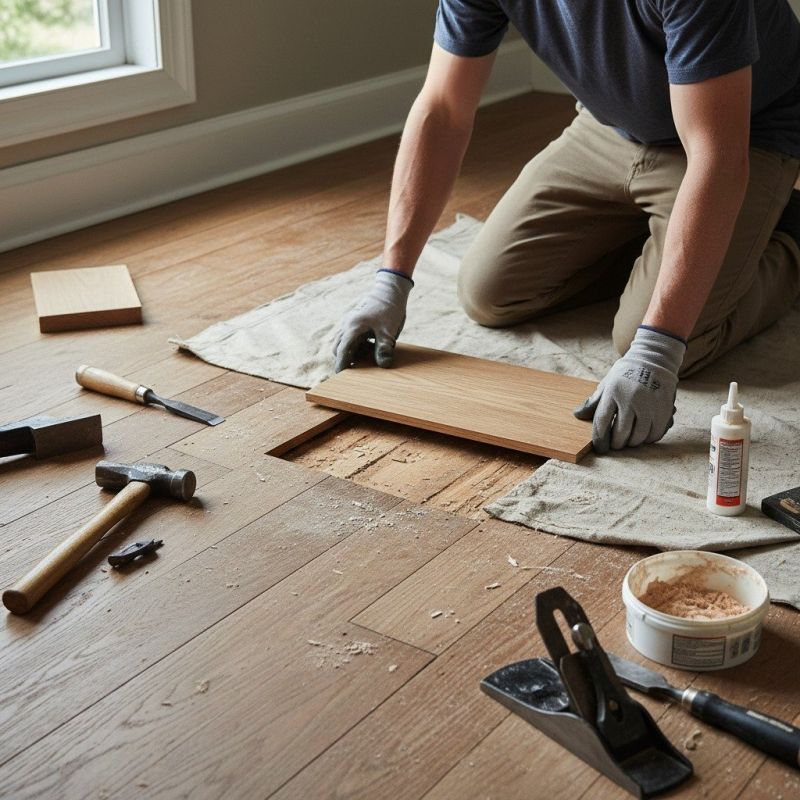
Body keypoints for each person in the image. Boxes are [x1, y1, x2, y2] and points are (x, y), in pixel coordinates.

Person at [332, 0, 800, 453]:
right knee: (488, 292)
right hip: (609, 130)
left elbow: (716, 157)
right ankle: (669, 239)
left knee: (667, 340)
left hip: (743, 133)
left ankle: (788, 234)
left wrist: (657, 349)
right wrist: (391, 280)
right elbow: (444, 109)